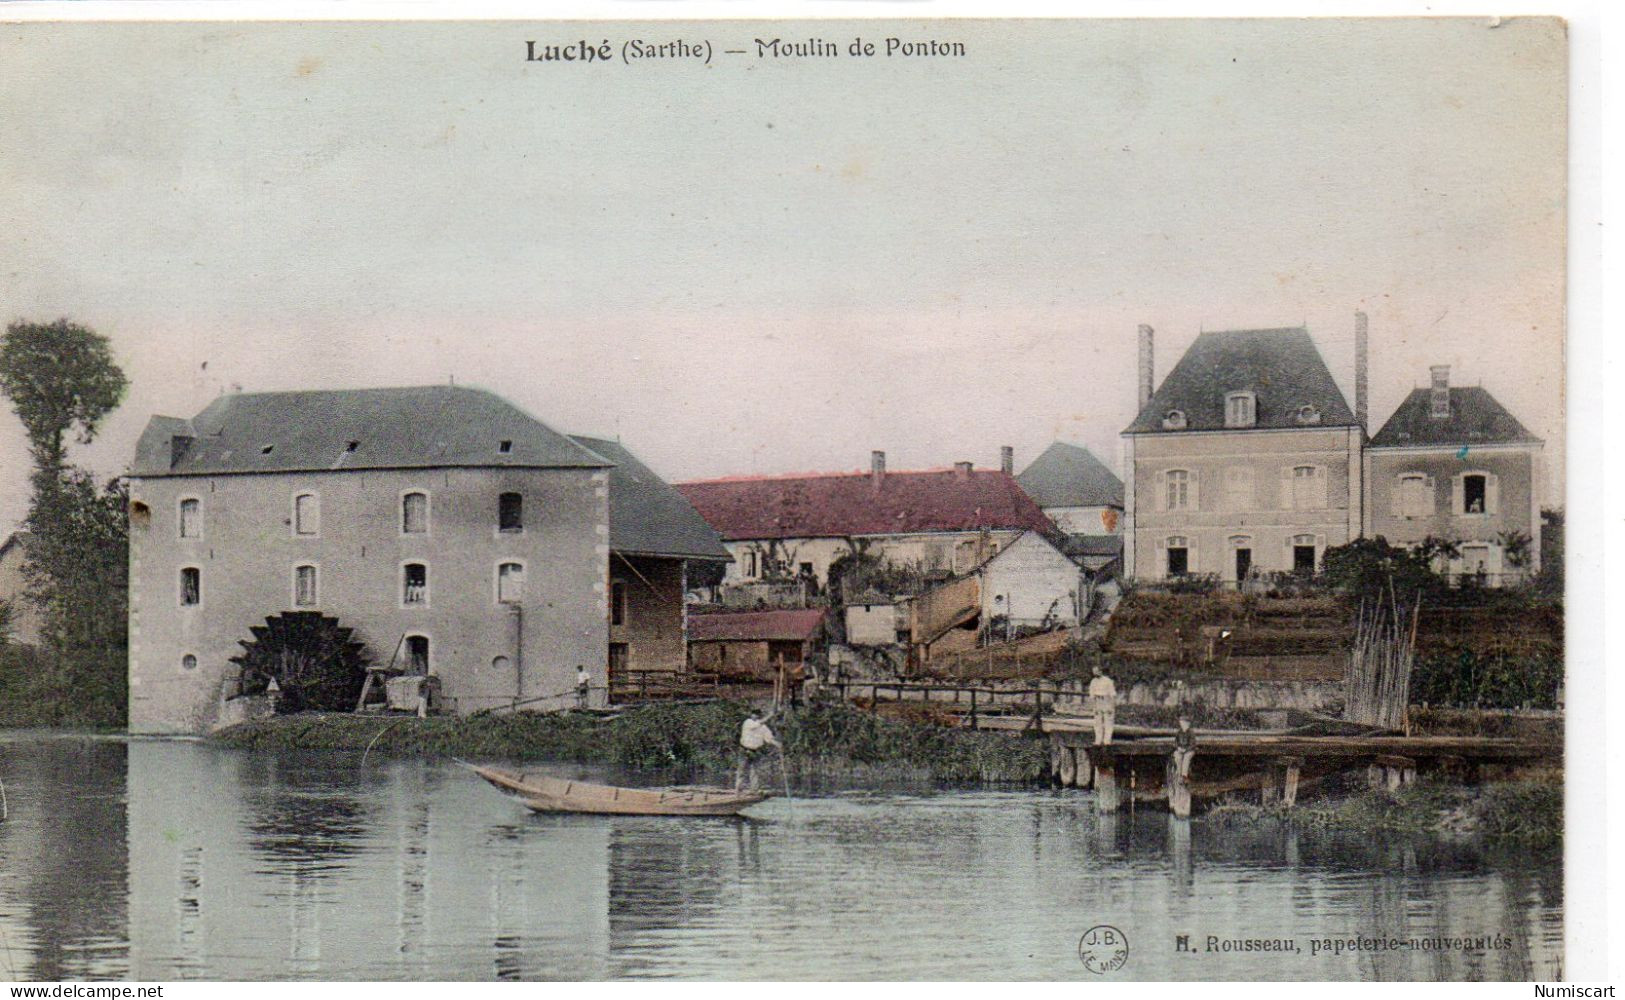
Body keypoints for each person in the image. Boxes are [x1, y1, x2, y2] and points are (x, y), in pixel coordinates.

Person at [735, 707, 781, 791]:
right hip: (744, 750)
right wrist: (770, 716)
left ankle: (754, 790)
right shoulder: (748, 722)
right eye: (754, 714)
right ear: (751, 715)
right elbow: (756, 725)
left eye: (757, 714)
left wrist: (777, 744)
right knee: (742, 770)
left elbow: (768, 739)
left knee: (755, 771)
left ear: (759, 715)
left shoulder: (763, 727)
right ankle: (737, 791)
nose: (755, 716)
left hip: (755, 751)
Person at [1088, 665, 1117, 745]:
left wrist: (1112, 706)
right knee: (1097, 721)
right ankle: (1098, 740)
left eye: (1096, 671)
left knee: (1108, 720)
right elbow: (1092, 694)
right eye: (1093, 672)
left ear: (1100, 671)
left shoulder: (1108, 681)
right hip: (1097, 701)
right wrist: (1093, 706)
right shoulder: (1093, 681)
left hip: (1106, 700)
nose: (1095, 673)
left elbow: (1112, 694)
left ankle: (1107, 740)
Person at [1172, 715, 1197, 780]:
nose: (1182, 724)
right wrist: (1178, 748)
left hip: (1189, 750)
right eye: (1181, 723)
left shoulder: (1191, 732)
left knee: (1186, 757)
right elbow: (1175, 742)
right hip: (1180, 749)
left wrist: (1186, 750)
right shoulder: (1179, 732)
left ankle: (1184, 775)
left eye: (1184, 723)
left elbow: (1192, 744)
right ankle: (1178, 773)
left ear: (1188, 724)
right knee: (1177, 756)